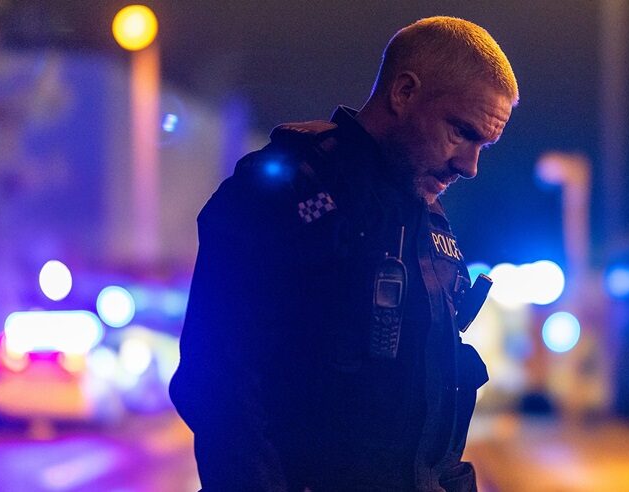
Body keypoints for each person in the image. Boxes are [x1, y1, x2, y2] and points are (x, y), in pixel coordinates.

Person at [170, 16, 518, 492]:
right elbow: (218, 385)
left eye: (485, 145)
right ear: (404, 93)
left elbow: (430, 419)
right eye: (461, 132)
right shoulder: (283, 188)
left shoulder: (429, 217)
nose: (470, 166)